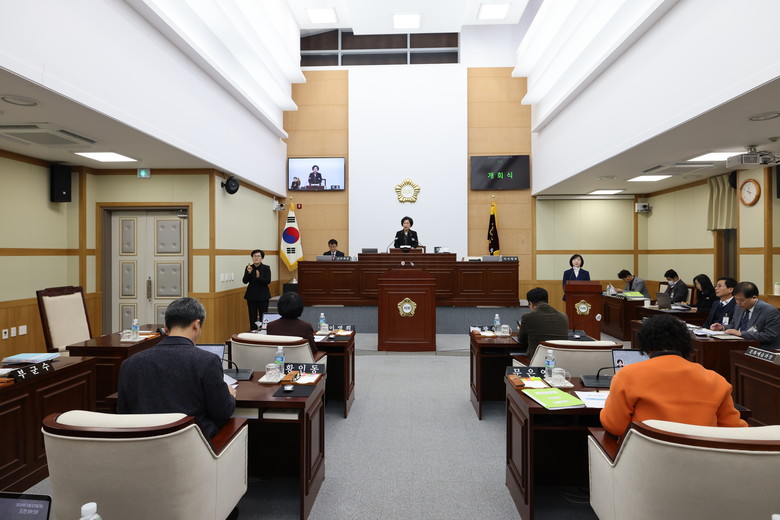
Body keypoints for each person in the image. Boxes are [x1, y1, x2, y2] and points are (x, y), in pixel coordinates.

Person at [600, 314, 747, 437]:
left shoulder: (627, 375)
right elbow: (734, 429)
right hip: (702, 458)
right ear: (686, 343)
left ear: (646, 344)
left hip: (647, 458)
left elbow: (615, 427)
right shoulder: (715, 380)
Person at [117, 297, 236, 439]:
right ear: (196, 325)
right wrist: (230, 395)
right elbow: (222, 412)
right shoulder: (207, 361)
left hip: (143, 444)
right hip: (193, 445)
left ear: (166, 328)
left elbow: (123, 414)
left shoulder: (129, 364)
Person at [711, 281, 780, 350]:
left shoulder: (769, 311)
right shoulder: (738, 307)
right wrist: (722, 327)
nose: (738, 302)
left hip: (760, 348)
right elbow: (734, 325)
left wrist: (741, 334)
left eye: (741, 300)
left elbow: (770, 335)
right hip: (739, 345)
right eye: (736, 299)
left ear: (754, 298)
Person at [517, 287, 569, 354]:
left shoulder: (528, 317)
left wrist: (520, 329)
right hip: (559, 358)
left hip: (536, 359)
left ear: (530, 303)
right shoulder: (564, 316)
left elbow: (521, 340)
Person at [266, 291, 318, 356]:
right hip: (299, 361)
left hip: (278, 360)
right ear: (300, 307)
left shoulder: (271, 326)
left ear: (279, 306)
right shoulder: (305, 327)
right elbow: (312, 350)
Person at [243, 249, 271, 331]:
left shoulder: (266, 268)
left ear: (262, 258)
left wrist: (259, 277)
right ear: (252, 257)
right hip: (251, 296)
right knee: (252, 317)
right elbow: (245, 281)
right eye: (254, 256)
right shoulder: (249, 268)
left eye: (258, 256)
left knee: (263, 317)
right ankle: (253, 332)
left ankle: (263, 332)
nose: (256, 258)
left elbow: (267, 281)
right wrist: (249, 273)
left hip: (263, 296)